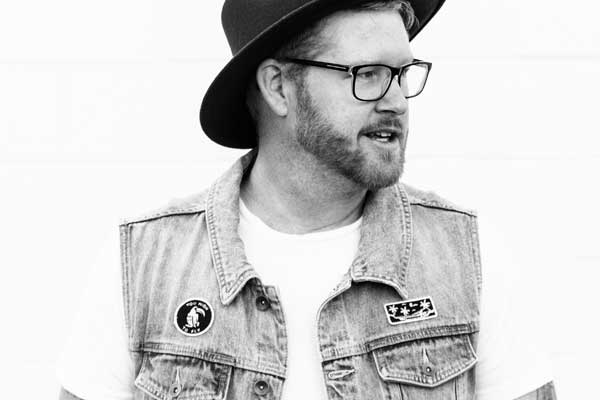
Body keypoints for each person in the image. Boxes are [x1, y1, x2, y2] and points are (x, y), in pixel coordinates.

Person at [57, 0, 558, 399]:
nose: (396, 101)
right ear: (278, 87)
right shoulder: (145, 264)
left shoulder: (465, 257)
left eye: (401, 74)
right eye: (367, 74)